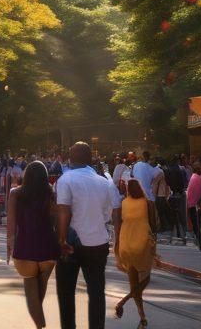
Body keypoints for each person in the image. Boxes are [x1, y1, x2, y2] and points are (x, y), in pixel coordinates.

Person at [55, 141, 121, 329]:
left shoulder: (66, 179)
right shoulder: (104, 182)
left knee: (66, 292)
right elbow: (112, 212)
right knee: (97, 293)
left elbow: (64, 211)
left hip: (71, 243)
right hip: (98, 243)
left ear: (70, 158)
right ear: (91, 159)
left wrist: (61, 239)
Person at [6, 161, 59, 329]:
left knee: (30, 290)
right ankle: (40, 324)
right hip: (48, 247)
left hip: (25, 247)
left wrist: (9, 247)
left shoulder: (16, 193)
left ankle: (40, 325)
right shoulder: (50, 193)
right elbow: (55, 221)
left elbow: (11, 225)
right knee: (39, 292)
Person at [114, 178, 157, 329]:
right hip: (143, 244)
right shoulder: (147, 203)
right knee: (145, 279)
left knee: (133, 282)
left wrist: (117, 244)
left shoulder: (123, 203)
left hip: (126, 244)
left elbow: (118, 224)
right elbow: (154, 224)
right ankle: (123, 302)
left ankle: (142, 317)